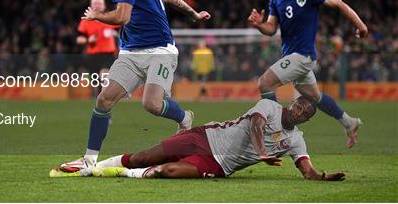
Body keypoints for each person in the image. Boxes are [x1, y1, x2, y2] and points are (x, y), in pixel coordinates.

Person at [59, 0, 211, 174]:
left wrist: (97, 16)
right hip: (131, 52)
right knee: (103, 100)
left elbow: (122, 17)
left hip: (160, 51)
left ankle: (184, 118)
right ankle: (88, 161)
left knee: (151, 104)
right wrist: (193, 13)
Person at [51, 96, 345, 181]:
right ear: (292, 102)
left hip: (219, 165)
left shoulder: (296, 140)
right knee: (144, 156)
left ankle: (114, 173)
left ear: (308, 118)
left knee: (164, 171)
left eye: (307, 111)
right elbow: (256, 124)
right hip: (204, 137)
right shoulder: (269, 106)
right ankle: (92, 167)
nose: (301, 111)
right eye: (300, 104)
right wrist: (261, 152)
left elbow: (306, 171)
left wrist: (322, 177)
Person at [247, 0, 368, 148]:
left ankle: (274, 132)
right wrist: (259, 25)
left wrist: (360, 26)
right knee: (316, 97)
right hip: (291, 56)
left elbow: (338, 3)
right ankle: (349, 123)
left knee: (265, 83)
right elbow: (271, 29)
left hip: (303, 56)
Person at [77, 0, 119, 97]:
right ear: (91, 6)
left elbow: (122, 33)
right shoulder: (86, 21)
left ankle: (104, 98)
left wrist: (114, 34)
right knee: (95, 82)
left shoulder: (110, 18)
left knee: (104, 74)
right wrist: (88, 40)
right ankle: (97, 98)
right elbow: (79, 39)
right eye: (95, 3)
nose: (97, 5)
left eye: (99, 3)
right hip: (93, 55)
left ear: (104, 6)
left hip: (108, 54)